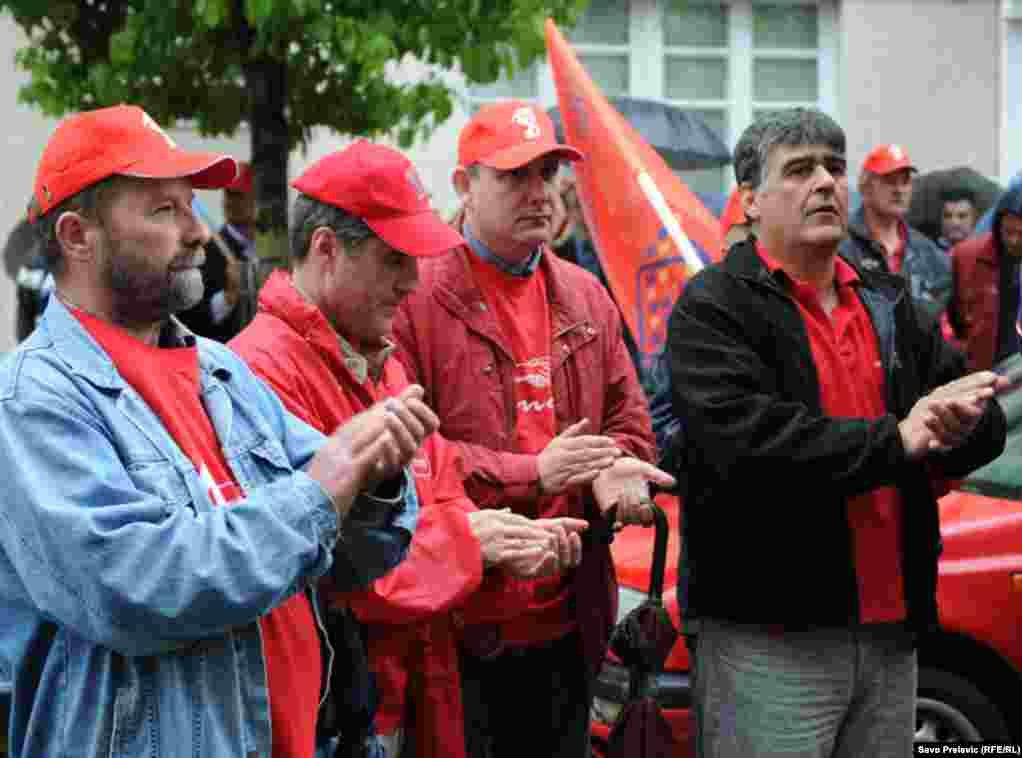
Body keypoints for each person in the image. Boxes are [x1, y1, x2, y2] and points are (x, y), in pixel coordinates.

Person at [0, 104, 435, 758]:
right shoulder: (33, 398)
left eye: (191, 207)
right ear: (77, 236)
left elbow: (348, 556)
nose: (200, 232)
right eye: (164, 211)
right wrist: (326, 485)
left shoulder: (218, 369)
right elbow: (132, 590)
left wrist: (376, 478)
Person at [667, 107, 1007, 758]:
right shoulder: (714, 306)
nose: (825, 181)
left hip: (891, 633)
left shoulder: (887, 298)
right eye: (799, 170)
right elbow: (749, 445)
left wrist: (964, 422)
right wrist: (897, 439)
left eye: (834, 167)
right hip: (770, 638)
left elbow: (968, 404)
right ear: (750, 201)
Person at [230, 139, 588, 758]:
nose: (412, 283)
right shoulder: (262, 372)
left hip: (399, 696)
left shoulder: (377, 357)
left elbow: (439, 486)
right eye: (396, 260)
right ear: (327, 250)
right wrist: (471, 543)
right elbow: (324, 561)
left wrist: (483, 537)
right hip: (333, 712)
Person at [392, 100, 673, 758]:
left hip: (571, 622)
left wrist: (612, 473)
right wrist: (533, 472)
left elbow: (629, 428)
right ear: (463, 186)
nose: (539, 193)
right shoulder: (414, 294)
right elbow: (406, 457)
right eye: (514, 175)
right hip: (455, 624)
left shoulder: (586, 294)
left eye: (548, 173)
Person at [840, 143, 952, 321]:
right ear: (866, 186)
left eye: (905, 181)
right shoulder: (840, 247)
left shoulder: (931, 255)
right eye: (889, 180)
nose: (899, 189)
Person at [948, 182, 1022, 371]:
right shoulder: (966, 257)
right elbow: (952, 320)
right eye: (1008, 232)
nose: (1014, 240)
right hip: (982, 376)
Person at [178, 161, 257, 341]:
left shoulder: (272, 252)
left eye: (239, 195)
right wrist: (227, 297)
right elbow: (189, 319)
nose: (231, 202)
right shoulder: (206, 250)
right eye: (229, 194)